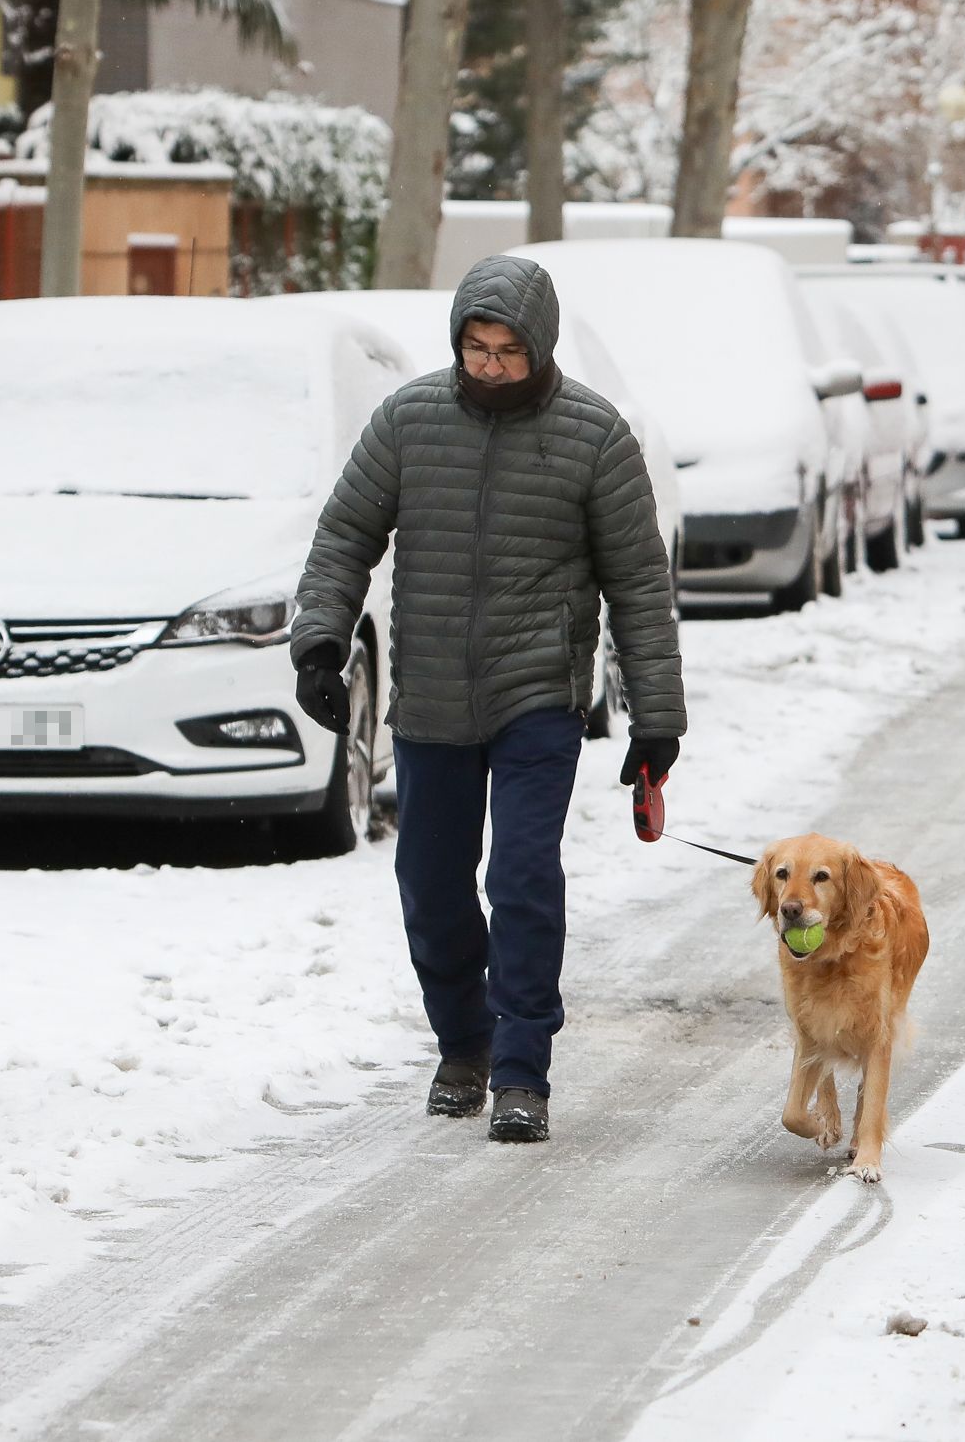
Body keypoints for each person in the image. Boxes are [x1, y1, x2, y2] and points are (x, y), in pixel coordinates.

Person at [292, 254, 685, 1144]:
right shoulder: (408, 419)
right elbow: (344, 533)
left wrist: (655, 714)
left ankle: (520, 1071)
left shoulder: (594, 436)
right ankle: (463, 1044)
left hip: (536, 694)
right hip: (430, 691)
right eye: (476, 347)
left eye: (509, 349)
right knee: (429, 884)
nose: (491, 365)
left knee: (520, 878)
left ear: (540, 346)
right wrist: (320, 637)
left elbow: (638, 584)